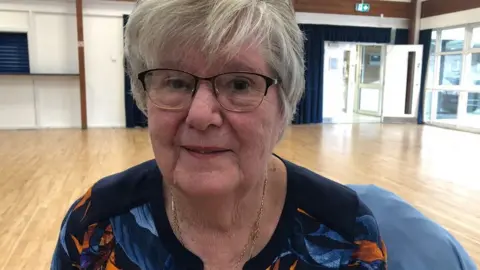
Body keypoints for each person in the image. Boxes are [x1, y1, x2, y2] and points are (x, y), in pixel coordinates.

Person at [51, 0, 387, 269]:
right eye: (176, 82)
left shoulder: (347, 235)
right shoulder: (95, 225)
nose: (200, 115)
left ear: (285, 104)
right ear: (144, 98)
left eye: (239, 83)